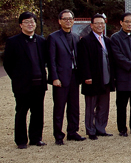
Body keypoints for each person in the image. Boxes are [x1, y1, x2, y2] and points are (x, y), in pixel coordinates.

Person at [4, 12, 48, 149]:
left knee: (38, 112)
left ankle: (36, 138)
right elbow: (7, 64)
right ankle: (21, 140)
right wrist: (18, 78)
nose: (30, 24)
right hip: (22, 85)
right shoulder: (13, 42)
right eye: (27, 22)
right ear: (20, 24)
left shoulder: (41, 41)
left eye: (32, 22)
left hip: (39, 83)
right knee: (22, 112)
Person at [47, 9, 85, 144]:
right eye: (65, 19)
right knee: (59, 108)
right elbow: (51, 60)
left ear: (73, 21)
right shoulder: (53, 37)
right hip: (61, 78)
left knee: (74, 107)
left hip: (74, 76)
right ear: (59, 21)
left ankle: (72, 131)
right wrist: (54, 78)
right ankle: (58, 135)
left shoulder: (75, 36)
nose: (68, 21)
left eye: (70, 19)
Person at [77, 13, 115, 140]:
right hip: (92, 79)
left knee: (104, 106)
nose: (100, 25)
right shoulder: (86, 41)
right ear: (91, 25)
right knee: (91, 106)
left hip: (106, 78)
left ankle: (101, 128)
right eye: (97, 23)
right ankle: (91, 130)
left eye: (102, 23)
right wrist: (86, 76)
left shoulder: (107, 41)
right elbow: (83, 61)